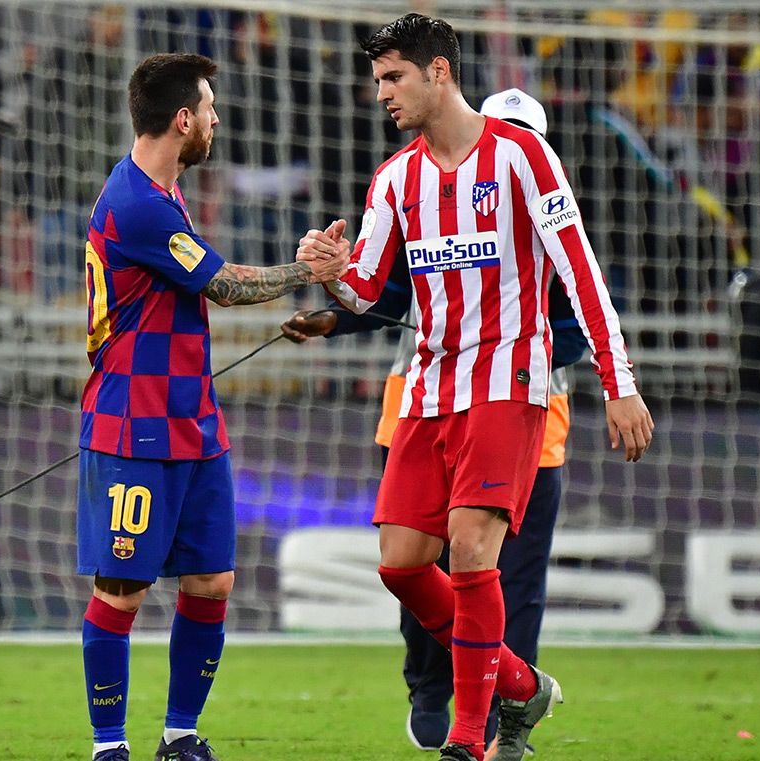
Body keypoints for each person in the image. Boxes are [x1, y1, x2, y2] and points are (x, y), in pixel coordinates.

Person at [294, 15, 654, 761]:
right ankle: (520, 686)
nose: (383, 94)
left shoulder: (524, 156)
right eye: (377, 82)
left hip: (510, 381)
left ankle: (470, 734)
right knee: (399, 561)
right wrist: (330, 269)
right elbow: (370, 291)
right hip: (427, 386)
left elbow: (580, 271)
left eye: (393, 78)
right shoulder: (396, 178)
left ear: (439, 72)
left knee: (471, 550)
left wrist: (619, 383)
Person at [77, 53, 349, 761]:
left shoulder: (163, 194)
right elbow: (222, 285)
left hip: (191, 419)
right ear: (183, 120)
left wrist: (297, 280)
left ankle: (180, 736)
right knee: (124, 586)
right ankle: (110, 746)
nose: (218, 119)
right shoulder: (134, 201)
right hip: (134, 422)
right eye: (211, 106)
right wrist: (308, 273)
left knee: (212, 579)